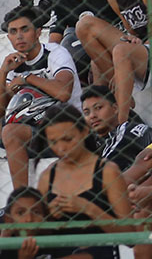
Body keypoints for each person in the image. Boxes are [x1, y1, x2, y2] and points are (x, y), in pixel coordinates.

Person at [0, 6, 79, 208]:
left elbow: (64, 92)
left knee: (11, 132)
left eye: (24, 29)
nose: (19, 36)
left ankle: (23, 201)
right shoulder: (14, 64)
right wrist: (3, 73)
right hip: (28, 130)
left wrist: (28, 78)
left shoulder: (55, 52)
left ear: (38, 32)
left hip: (62, 130)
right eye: (13, 32)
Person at [37, 104, 133, 258]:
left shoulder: (107, 171)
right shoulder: (47, 176)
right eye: (53, 142)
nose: (61, 148)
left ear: (84, 131)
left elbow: (129, 237)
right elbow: (38, 233)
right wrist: (49, 217)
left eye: (68, 139)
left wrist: (90, 209)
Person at [76, 0, 152, 125]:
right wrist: (134, 40)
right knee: (84, 26)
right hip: (144, 50)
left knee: (120, 50)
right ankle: (104, 121)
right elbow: (134, 31)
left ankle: (122, 124)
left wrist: (137, 43)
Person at [45, 0, 121, 82]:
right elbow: (54, 41)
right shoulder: (60, 1)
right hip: (79, 54)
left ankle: (103, 99)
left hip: (111, 49)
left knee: (96, 64)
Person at [81, 84, 152, 171]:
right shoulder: (91, 142)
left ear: (115, 108)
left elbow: (104, 171)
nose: (92, 116)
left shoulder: (130, 130)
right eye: (86, 112)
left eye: (98, 108)